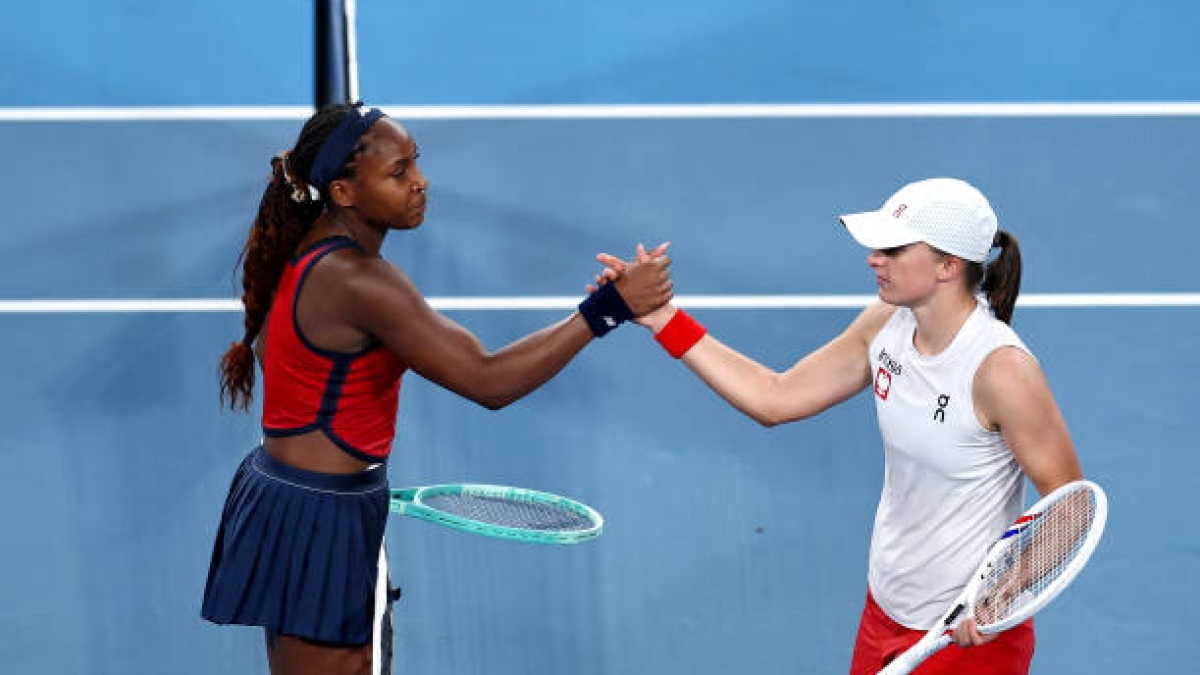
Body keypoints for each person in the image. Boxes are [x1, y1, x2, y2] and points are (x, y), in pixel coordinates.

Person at [202, 101, 673, 675]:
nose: (421, 183)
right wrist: (608, 309)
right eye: (398, 173)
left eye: (415, 164)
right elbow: (489, 379)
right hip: (317, 517)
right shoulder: (358, 281)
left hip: (315, 501)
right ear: (345, 192)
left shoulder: (323, 256)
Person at [595, 178, 1084, 674]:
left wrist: (1003, 592)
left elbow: (1070, 507)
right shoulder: (886, 324)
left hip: (965, 640)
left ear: (947, 265)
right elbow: (776, 398)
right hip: (886, 611)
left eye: (894, 248)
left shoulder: (1000, 370)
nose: (874, 257)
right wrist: (662, 318)